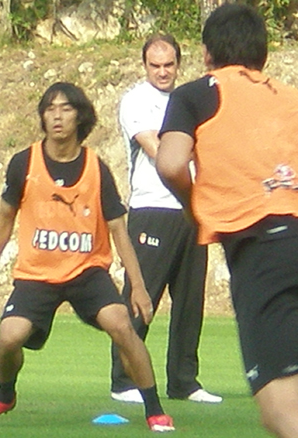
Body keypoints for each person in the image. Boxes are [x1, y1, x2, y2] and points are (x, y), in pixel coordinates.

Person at [0, 82, 174, 432]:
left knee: (122, 326)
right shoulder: (24, 163)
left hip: (86, 271)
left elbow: (118, 230)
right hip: (36, 273)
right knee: (9, 338)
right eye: (50, 109)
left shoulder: (96, 168)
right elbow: (4, 218)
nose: (57, 116)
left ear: (80, 116)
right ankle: (5, 394)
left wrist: (138, 287)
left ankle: (154, 409)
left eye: (65, 108)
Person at [156, 4, 298, 437]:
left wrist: (195, 206)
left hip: (263, 249)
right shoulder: (290, 97)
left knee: (282, 412)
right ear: (263, 53)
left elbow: (171, 163)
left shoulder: (196, 94)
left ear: (206, 53)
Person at [110, 34, 222, 404]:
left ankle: (184, 382)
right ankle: (124, 380)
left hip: (191, 207)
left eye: (169, 65)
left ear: (178, 64)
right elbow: (157, 150)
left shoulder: (188, 99)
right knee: (142, 294)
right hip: (152, 209)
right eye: (155, 65)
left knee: (190, 299)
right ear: (145, 65)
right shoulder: (137, 101)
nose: (162, 72)